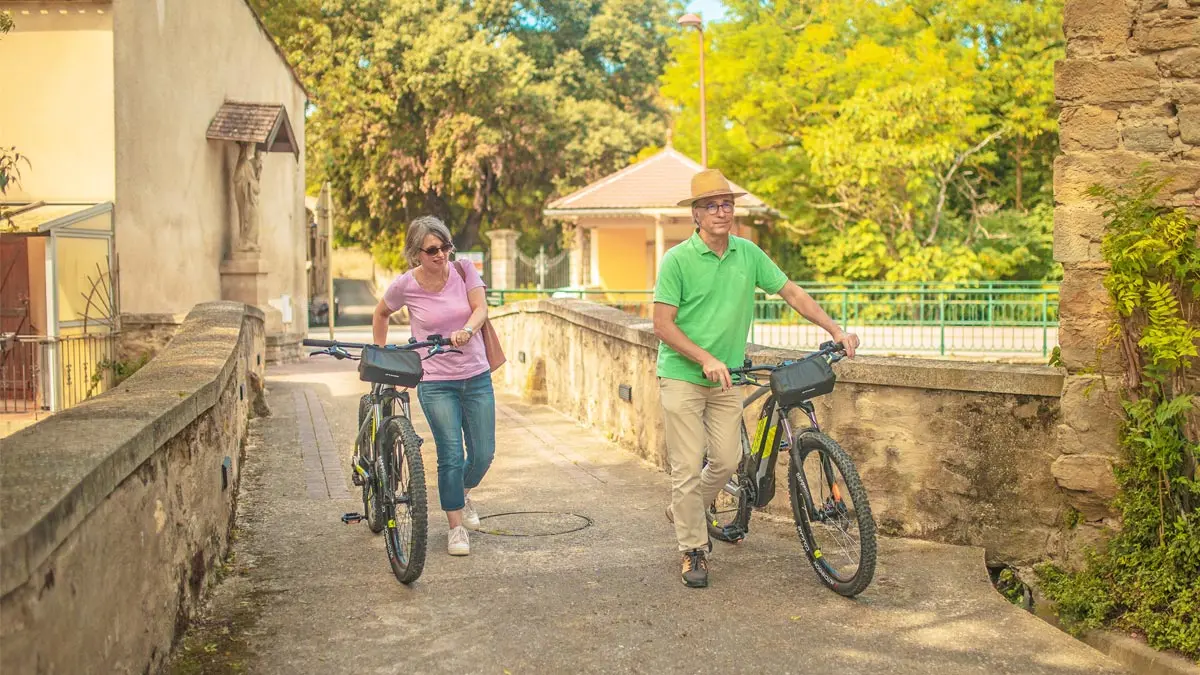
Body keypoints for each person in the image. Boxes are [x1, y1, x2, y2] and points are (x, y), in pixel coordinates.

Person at [653, 169, 861, 588]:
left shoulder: (748, 254)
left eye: (727, 204)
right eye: (711, 205)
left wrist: (834, 329)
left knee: (728, 461)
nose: (721, 211)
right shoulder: (677, 260)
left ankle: (686, 508)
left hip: (728, 377)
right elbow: (662, 324)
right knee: (687, 468)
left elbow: (791, 293)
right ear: (695, 214)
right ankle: (693, 550)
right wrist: (704, 357)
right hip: (682, 376)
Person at [372, 215, 496, 557]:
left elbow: (480, 308)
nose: (441, 254)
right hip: (436, 380)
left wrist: (467, 331)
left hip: (476, 374)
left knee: (483, 454)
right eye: (432, 250)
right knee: (451, 455)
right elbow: (381, 313)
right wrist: (380, 356)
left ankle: (462, 491)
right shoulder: (405, 285)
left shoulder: (464, 270)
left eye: (445, 246)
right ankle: (456, 528)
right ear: (416, 253)